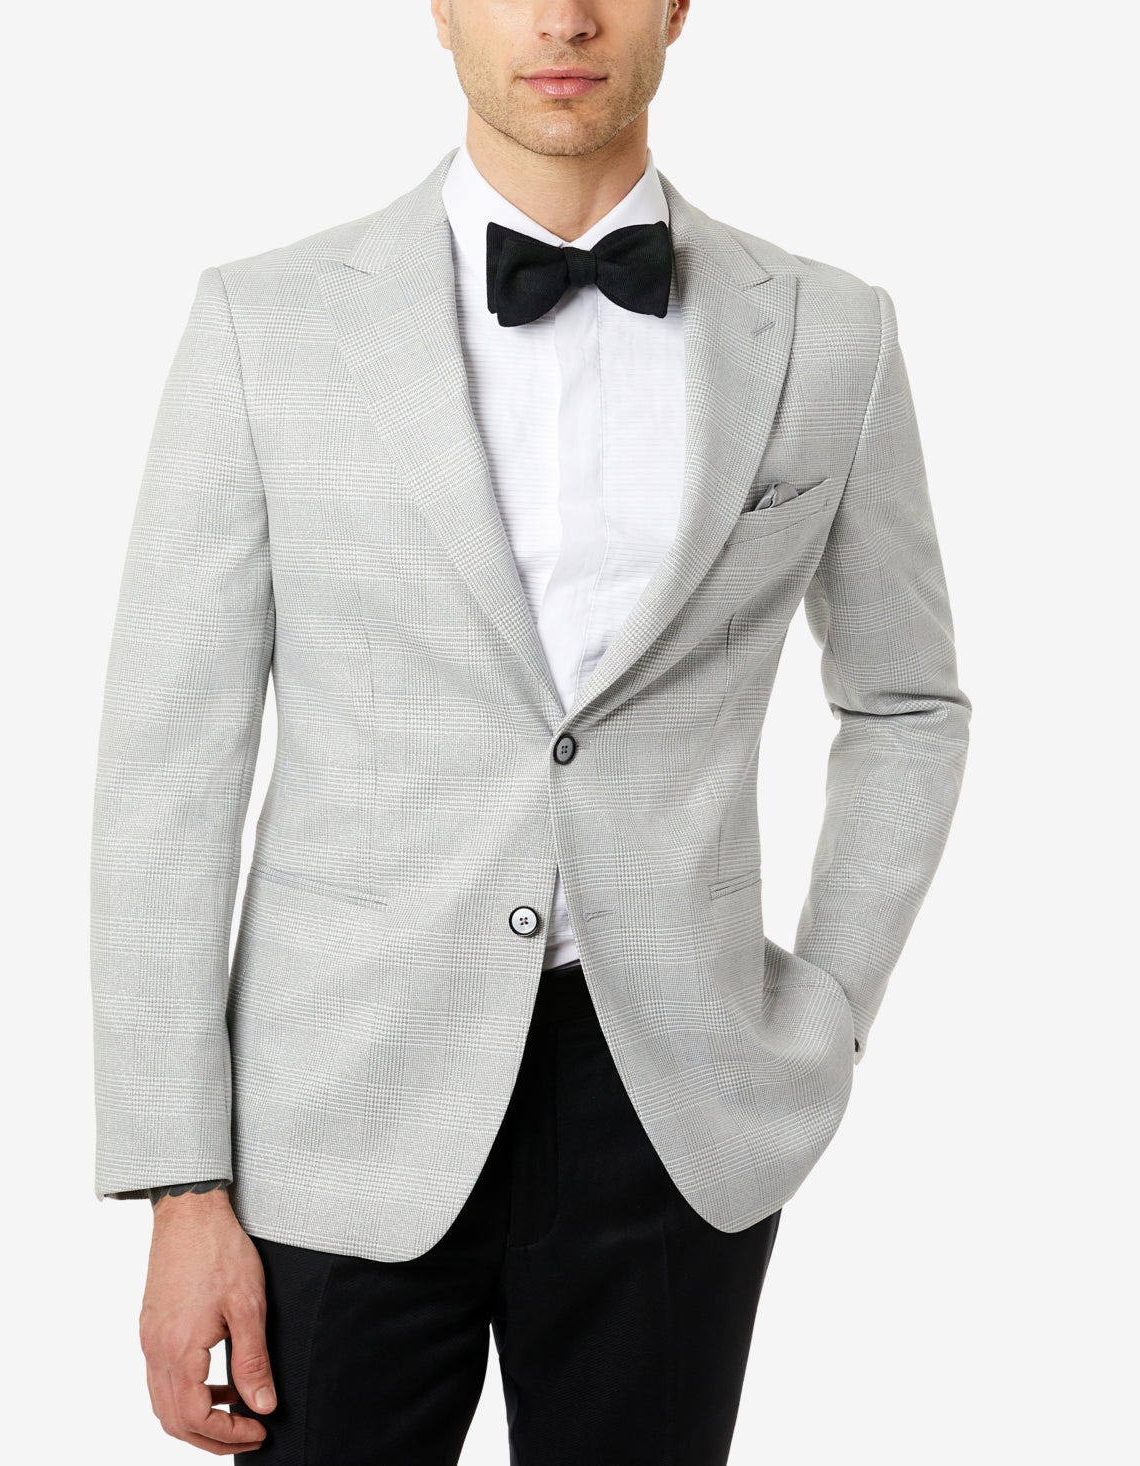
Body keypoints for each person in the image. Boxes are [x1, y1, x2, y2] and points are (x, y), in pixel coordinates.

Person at [90, 1, 972, 1460]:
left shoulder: (830, 332)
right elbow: (166, 768)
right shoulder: (267, 322)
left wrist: (826, 1008)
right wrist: (181, 1182)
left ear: (679, 4)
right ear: (440, 6)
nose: (564, 17)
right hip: (334, 1111)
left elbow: (907, 703)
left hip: (675, 1110)